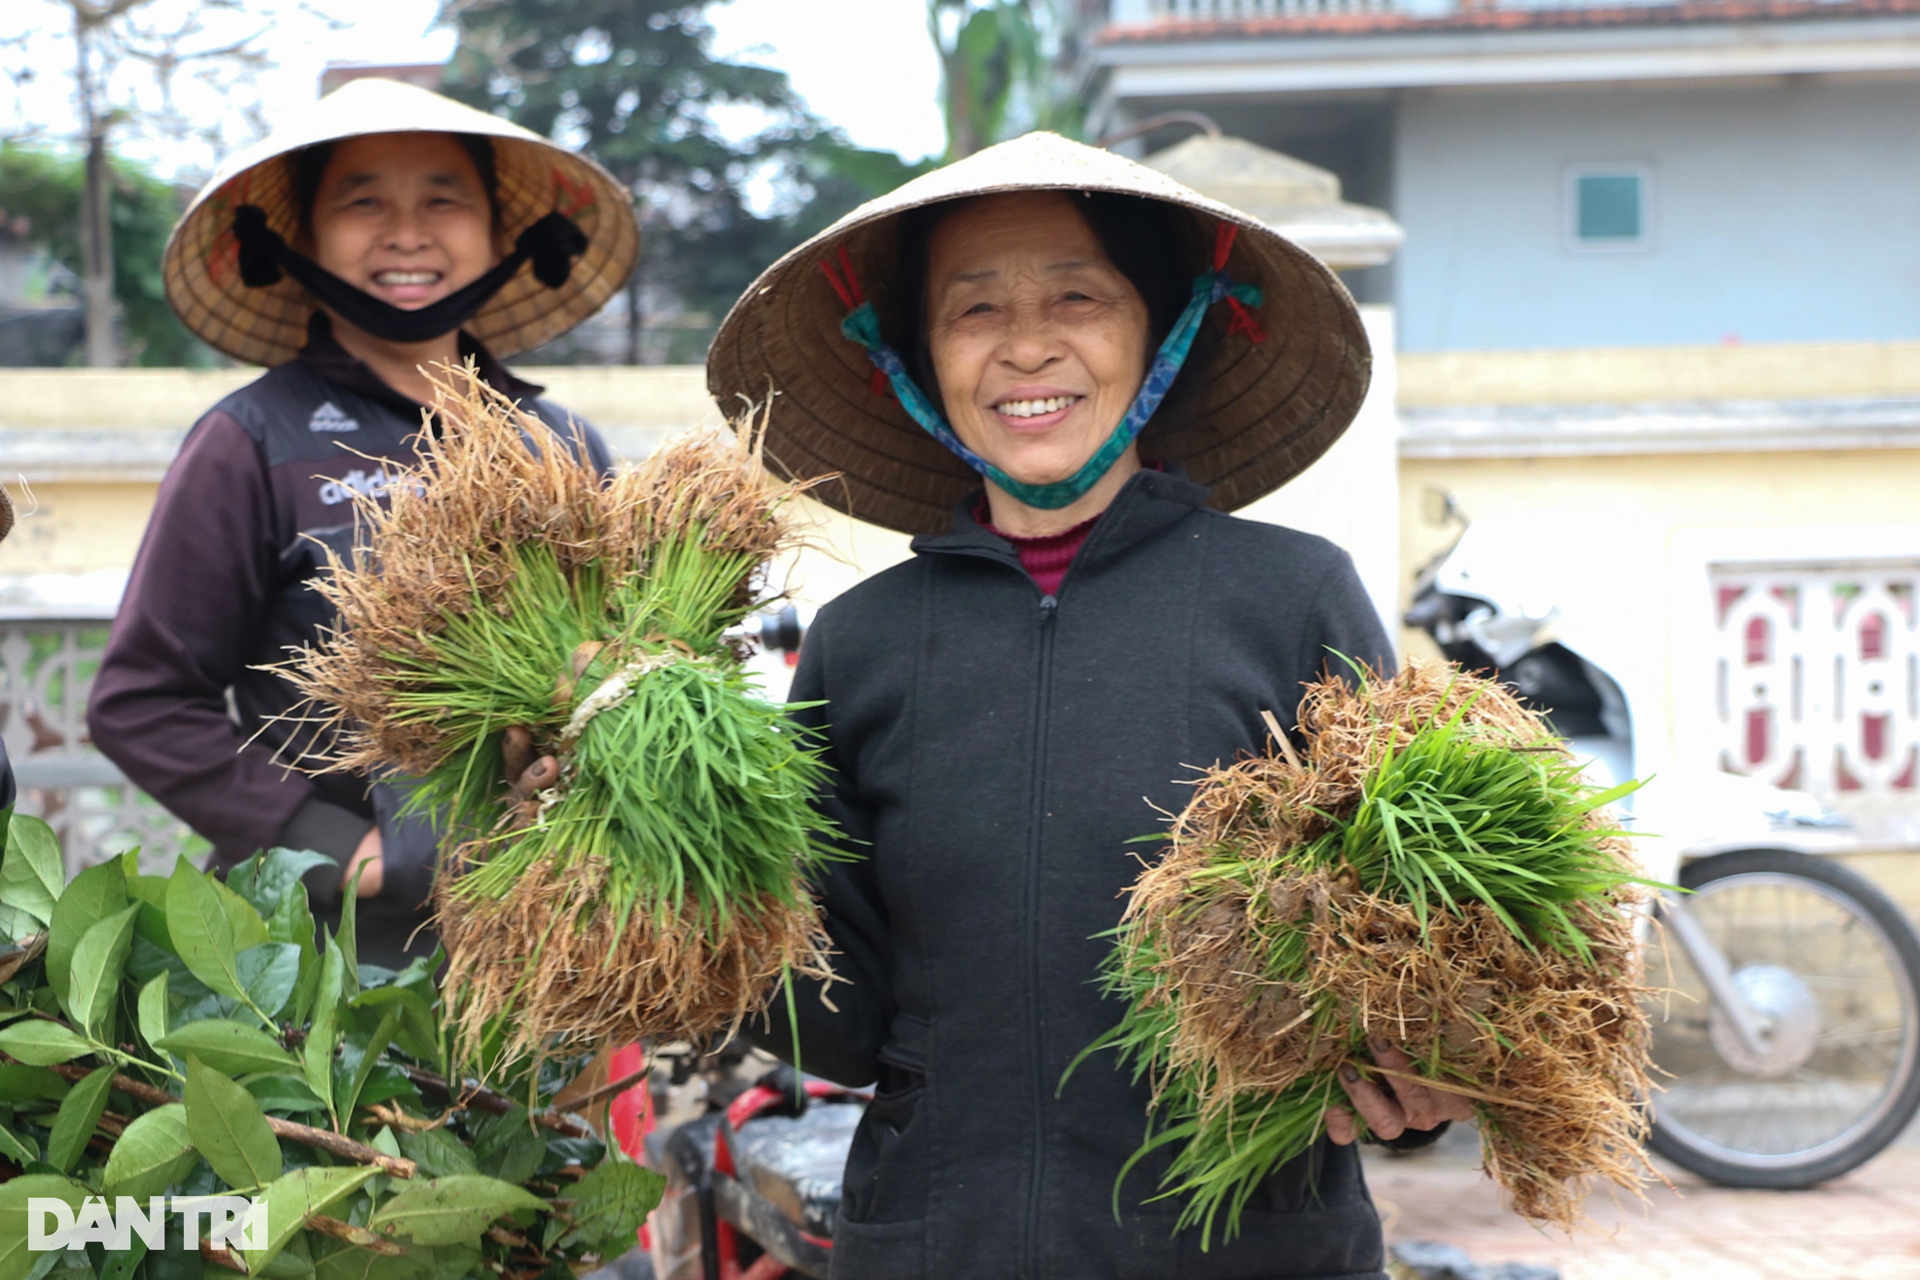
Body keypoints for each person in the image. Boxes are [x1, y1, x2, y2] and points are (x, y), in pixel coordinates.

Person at [700, 134, 1473, 1279]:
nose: (1025, 345)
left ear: (1161, 333)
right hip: (934, 1244)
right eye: (973, 311)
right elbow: (841, 1020)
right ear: (912, 358)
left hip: (1246, 1248)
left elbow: (1418, 936)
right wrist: (679, 895)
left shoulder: (1293, 596)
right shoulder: (861, 643)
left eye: (1079, 295)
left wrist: (1427, 1071)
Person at [87, 79, 637, 969]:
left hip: (550, 939)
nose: (408, 231)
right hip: (325, 956)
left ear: (504, 234)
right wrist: (338, 851)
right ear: (297, 241)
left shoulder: (563, 445)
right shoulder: (252, 442)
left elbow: (619, 667)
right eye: (363, 200)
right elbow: (143, 701)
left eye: (443, 199)